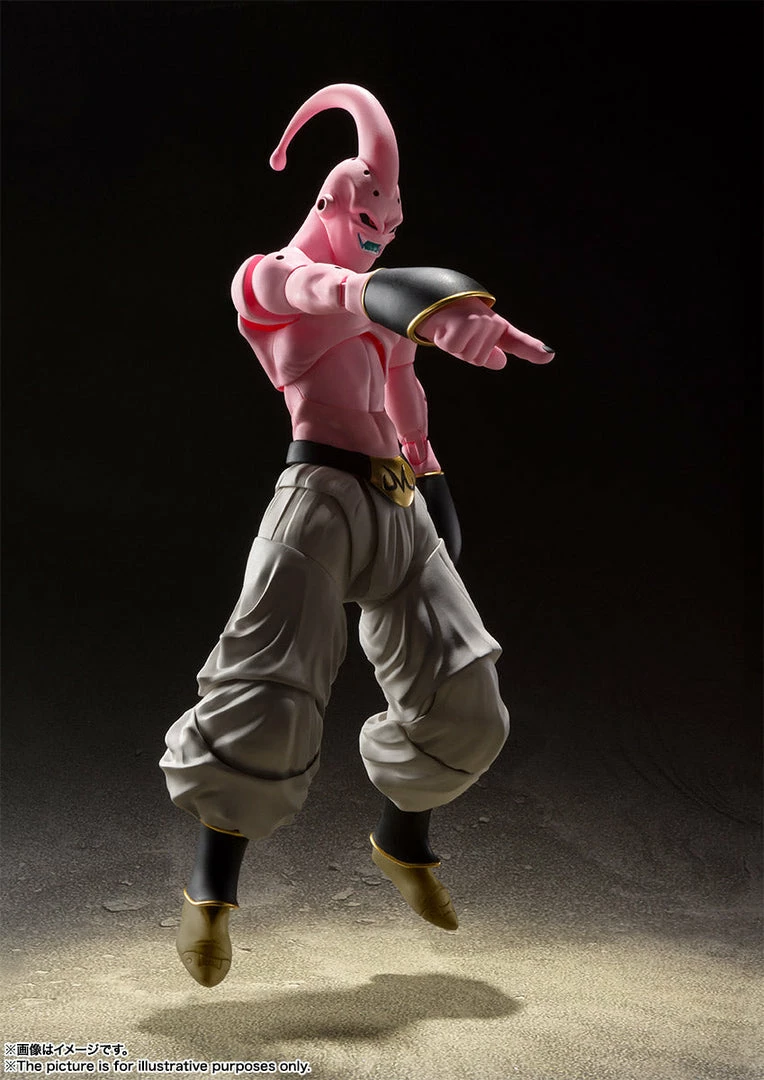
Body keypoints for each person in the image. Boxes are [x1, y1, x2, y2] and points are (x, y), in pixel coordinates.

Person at [159, 83, 554, 987]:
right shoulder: (267, 276)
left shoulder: (385, 303)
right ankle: (210, 891)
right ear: (332, 201)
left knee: (465, 691)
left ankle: (402, 842)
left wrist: (434, 477)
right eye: (369, 217)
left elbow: (405, 390)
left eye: (393, 222)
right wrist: (427, 303)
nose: (380, 232)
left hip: (398, 502)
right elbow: (334, 290)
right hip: (317, 502)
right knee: (266, 691)